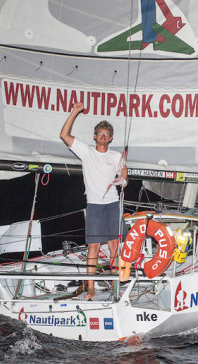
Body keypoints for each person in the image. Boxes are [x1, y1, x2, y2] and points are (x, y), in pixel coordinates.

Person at [60, 102, 127, 300]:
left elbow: (123, 183)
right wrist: (75, 111)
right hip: (95, 206)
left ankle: (116, 286)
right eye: (100, 133)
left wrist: (125, 176)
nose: (103, 136)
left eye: (107, 134)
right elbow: (64, 135)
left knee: (115, 245)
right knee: (94, 247)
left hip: (113, 204)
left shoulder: (117, 156)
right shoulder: (86, 152)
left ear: (111, 137)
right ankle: (91, 288)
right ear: (95, 136)